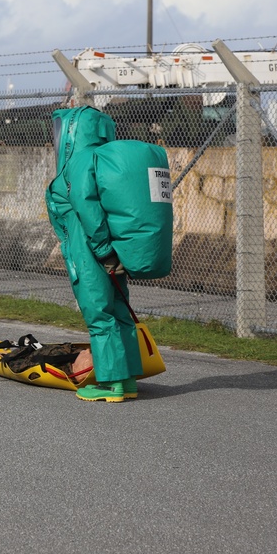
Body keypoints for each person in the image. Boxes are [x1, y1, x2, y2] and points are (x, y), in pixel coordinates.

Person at [45, 105, 172, 402]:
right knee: (119, 310)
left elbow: (87, 209)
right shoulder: (103, 160)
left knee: (99, 313)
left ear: (72, 131)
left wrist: (102, 252)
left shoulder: (77, 163)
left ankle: (111, 383)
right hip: (115, 249)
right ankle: (127, 380)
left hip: (89, 248)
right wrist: (112, 253)